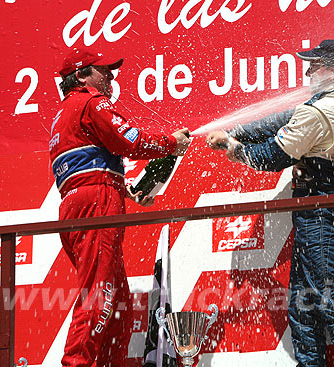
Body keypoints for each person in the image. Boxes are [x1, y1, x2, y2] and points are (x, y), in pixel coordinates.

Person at [206, 40, 334, 367]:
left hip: (321, 214)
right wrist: (236, 128)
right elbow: (286, 117)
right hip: (328, 208)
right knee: (301, 303)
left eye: (315, 65)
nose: (308, 71)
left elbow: (270, 158)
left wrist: (231, 144)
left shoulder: (321, 112)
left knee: (328, 301)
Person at [49, 48, 190, 367]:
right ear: (82, 76)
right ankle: (76, 363)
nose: (110, 75)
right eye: (103, 70)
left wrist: (124, 189)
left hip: (77, 204)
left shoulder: (63, 114)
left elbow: (81, 169)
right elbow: (128, 140)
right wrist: (171, 144)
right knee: (100, 297)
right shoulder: (91, 102)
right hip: (95, 204)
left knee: (118, 303)